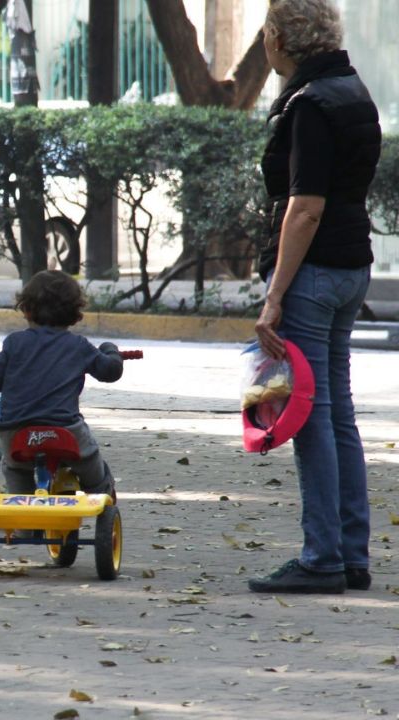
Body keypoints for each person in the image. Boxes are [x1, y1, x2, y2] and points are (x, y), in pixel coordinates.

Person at [248, 0, 380, 595]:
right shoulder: (353, 90)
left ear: (278, 38)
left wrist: (274, 296)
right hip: (353, 267)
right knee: (338, 413)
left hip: (315, 271)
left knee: (311, 416)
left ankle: (322, 556)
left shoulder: (309, 105)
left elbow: (305, 207)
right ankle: (351, 553)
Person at [0, 270, 123, 499]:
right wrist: (110, 350)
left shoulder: (14, 343)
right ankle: (101, 494)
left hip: (16, 431)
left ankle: (22, 518)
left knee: (15, 469)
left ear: (26, 309)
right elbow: (110, 371)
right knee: (90, 459)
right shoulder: (78, 345)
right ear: (75, 313)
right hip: (63, 430)